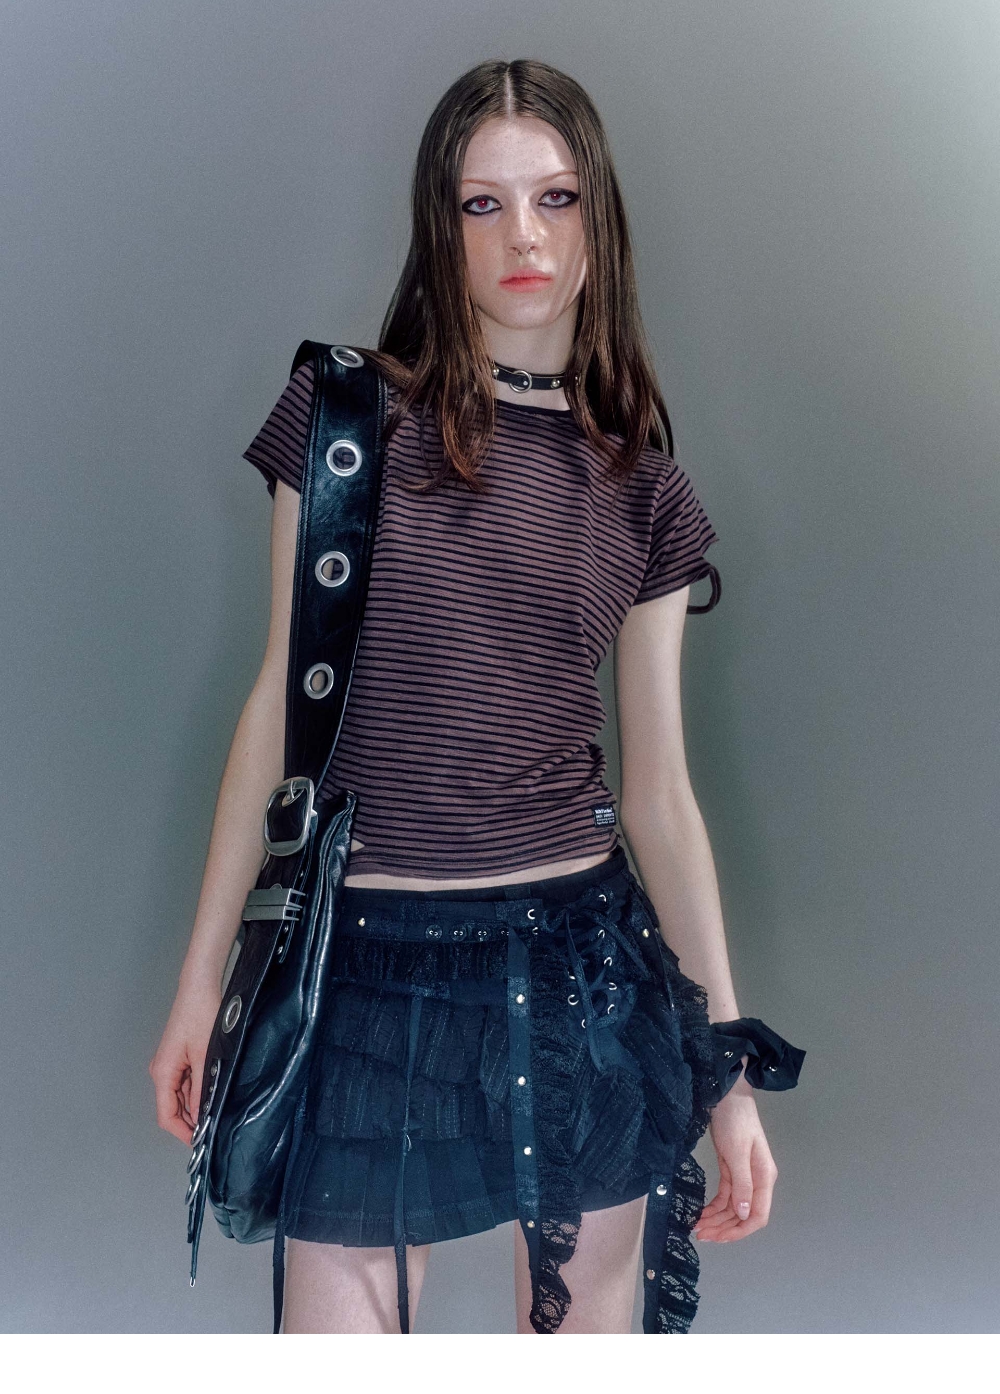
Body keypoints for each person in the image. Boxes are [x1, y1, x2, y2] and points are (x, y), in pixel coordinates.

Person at [150, 57, 801, 1336]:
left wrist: (727, 1069)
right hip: (364, 972)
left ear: (598, 218)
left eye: (555, 199)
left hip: (582, 971)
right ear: (438, 225)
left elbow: (662, 800)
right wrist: (200, 986)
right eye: (481, 204)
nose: (523, 239)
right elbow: (278, 710)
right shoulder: (345, 422)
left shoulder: (644, 488)